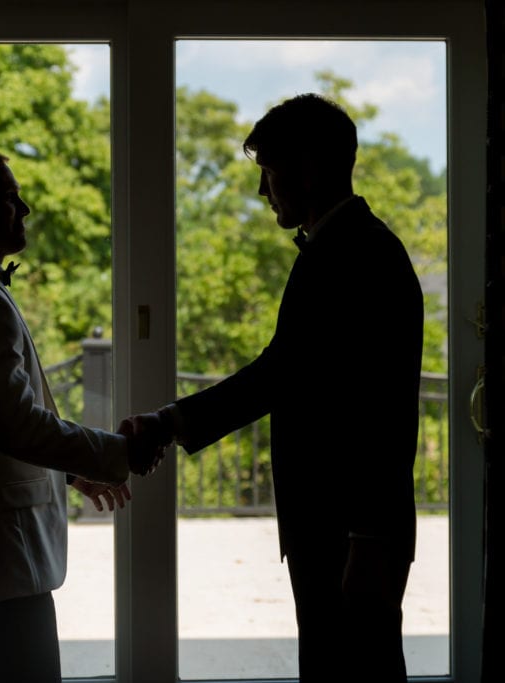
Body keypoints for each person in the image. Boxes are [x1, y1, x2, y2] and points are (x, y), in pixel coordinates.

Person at [128, 93, 425, 682]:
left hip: (349, 529)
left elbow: (376, 410)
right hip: (340, 526)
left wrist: (369, 537)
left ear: (308, 168)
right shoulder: (350, 248)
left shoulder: (355, 255)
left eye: (269, 171)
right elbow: (286, 372)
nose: (264, 191)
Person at [0, 149, 159, 683]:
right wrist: (117, 452)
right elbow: (17, 424)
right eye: (9, 196)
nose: (25, 207)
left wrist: (69, 470)